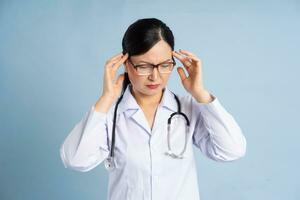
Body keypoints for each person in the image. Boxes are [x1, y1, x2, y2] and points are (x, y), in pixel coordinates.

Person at [60, 18, 247, 200]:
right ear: (125, 63)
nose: (155, 76)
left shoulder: (187, 109)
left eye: (165, 65)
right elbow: (75, 159)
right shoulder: (110, 115)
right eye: (144, 66)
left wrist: (201, 94)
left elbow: (232, 150)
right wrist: (107, 98)